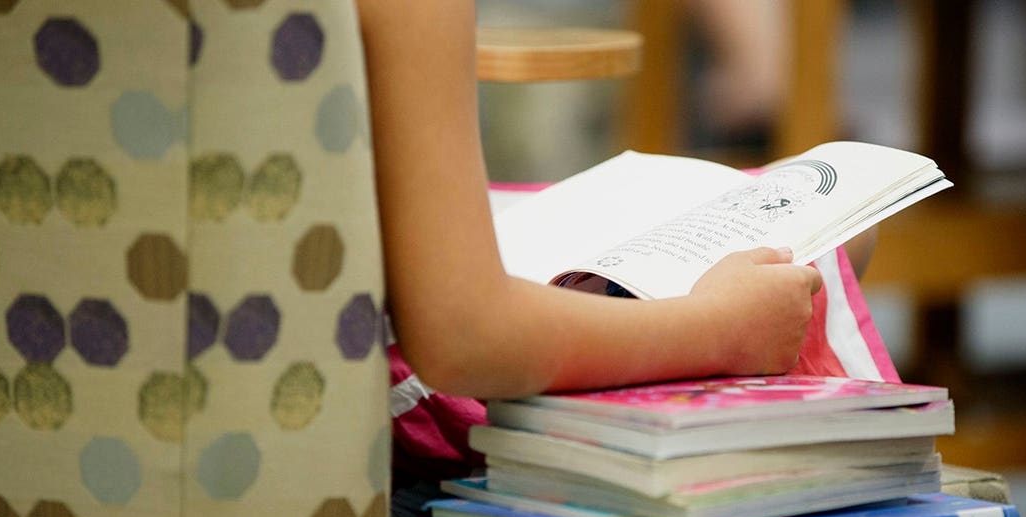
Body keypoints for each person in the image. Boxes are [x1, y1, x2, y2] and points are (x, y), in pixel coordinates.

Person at [356, 0, 844, 402]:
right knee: (824, 242)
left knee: (804, 209)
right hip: (394, 377)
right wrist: (723, 329)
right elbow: (466, 337)